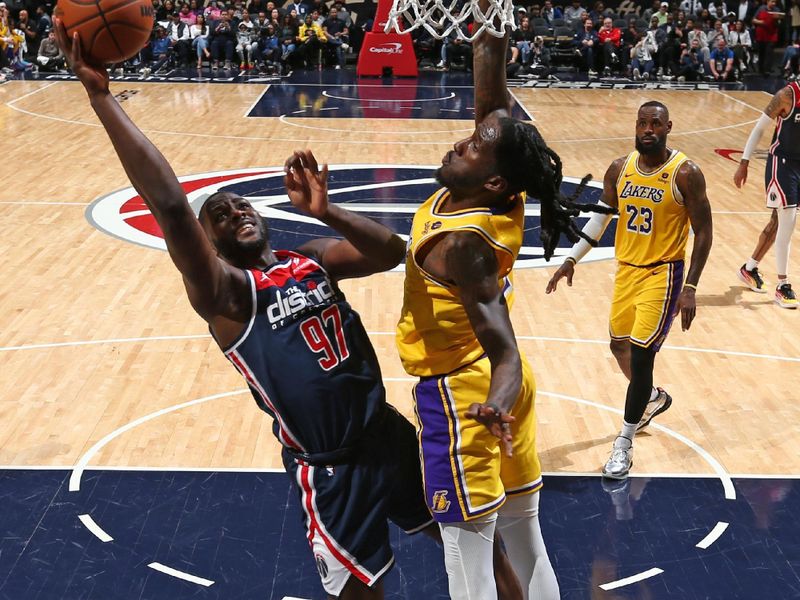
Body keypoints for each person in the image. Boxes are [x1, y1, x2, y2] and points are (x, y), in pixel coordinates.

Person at [53, 19, 524, 600]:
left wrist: (329, 212)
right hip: (329, 468)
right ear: (211, 245)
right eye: (220, 217)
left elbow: (389, 252)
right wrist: (101, 97)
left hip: (386, 435)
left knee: (486, 548)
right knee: (364, 594)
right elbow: (173, 207)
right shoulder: (227, 295)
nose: (235, 212)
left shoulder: (308, 260)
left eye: (241, 204)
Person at [395, 2, 614, 597]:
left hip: (467, 394)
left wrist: (492, 405)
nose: (460, 143)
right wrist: (489, 19)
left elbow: (507, 352)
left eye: (472, 145)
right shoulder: (504, 195)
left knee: (467, 564)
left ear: (491, 178)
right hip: (500, 391)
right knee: (523, 533)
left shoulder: (465, 244)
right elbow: (492, 100)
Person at [546, 101, 713, 480]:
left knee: (641, 357)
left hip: (664, 273)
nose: (647, 129)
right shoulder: (620, 168)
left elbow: (704, 230)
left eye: (655, 123)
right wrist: (572, 259)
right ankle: (653, 399)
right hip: (626, 271)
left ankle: (623, 443)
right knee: (617, 346)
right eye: (642, 123)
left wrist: (690, 287)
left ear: (668, 126)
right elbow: (601, 218)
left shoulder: (685, 173)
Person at [734, 82, 800, 308]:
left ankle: (749, 269)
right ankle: (783, 285)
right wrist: (744, 162)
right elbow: (759, 128)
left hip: (798, 165)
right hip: (781, 164)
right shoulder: (787, 95)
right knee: (787, 224)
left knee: (777, 223)